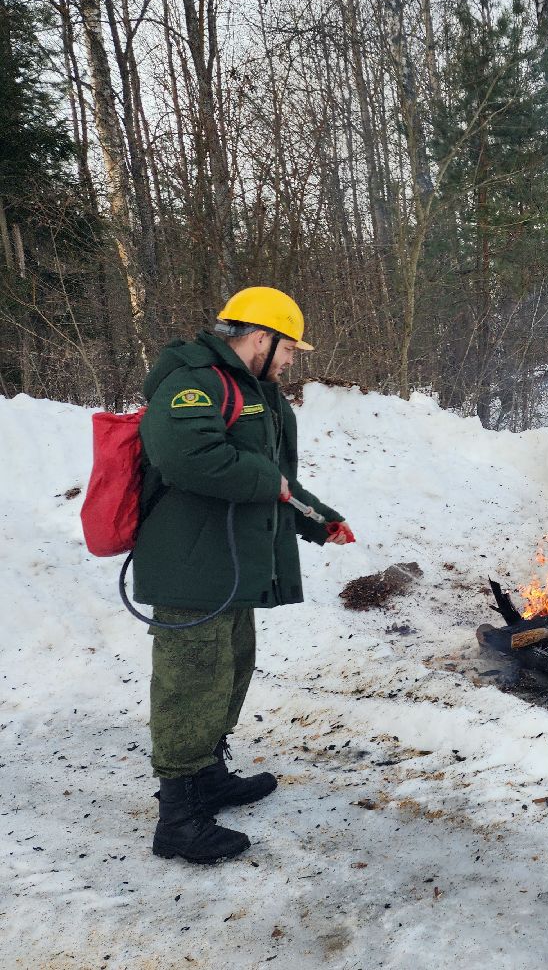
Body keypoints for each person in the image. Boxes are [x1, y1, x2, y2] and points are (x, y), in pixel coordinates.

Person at [134, 286, 353, 863]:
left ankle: (207, 775)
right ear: (260, 337)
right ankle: (178, 819)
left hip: (226, 565)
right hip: (190, 565)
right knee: (190, 682)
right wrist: (268, 485)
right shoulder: (195, 381)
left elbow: (271, 476)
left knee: (229, 669)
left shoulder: (257, 392)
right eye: (287, 350)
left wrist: (318, 520)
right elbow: (186, 456)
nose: (288, 361)